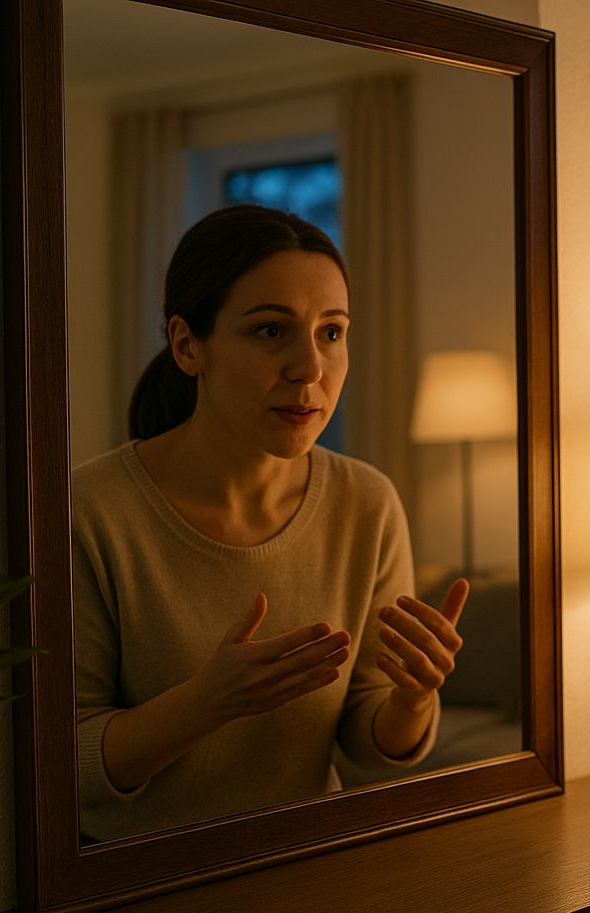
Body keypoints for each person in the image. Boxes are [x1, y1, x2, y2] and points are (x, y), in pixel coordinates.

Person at [74, 204, 466, 842]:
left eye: (331, 333)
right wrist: (205, 705)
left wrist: (414, 697)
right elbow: (69, 762)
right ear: (187, 345)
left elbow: (368, 742)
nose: (309, 368)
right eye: (269, 332)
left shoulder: (366, 502)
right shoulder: (92, 510)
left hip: (304, 875)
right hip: (132, 892)